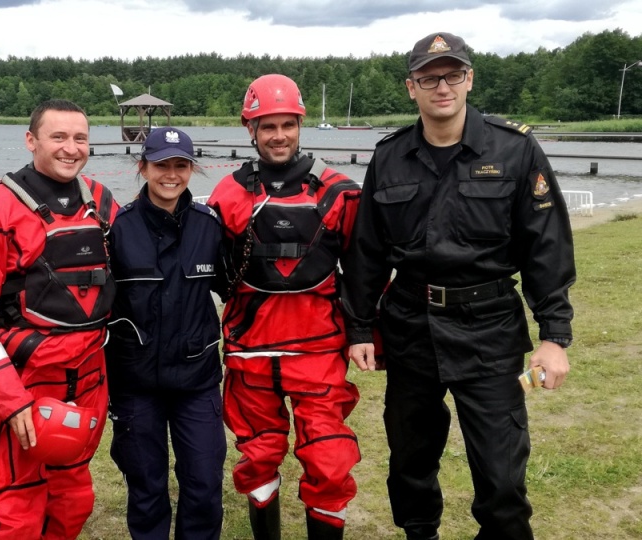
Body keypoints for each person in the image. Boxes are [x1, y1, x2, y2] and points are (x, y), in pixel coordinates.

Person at [342, 32, 575, 540]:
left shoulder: (514, 150)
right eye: (429, 77)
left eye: (452, 74)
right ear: (412, 87)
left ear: (469, 79)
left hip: (489, 328)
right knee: (409, 462)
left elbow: (547, 247)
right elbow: (368, 252)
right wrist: (360, 327)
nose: (441, 86)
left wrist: (554, 335)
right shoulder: (390, 156)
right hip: (410, 326)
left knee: (501, 474)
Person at [0, 99, 118, 539]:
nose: (70, 148)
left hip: (86, 386)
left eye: (80, 138)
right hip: (23, 389)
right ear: (31, 140)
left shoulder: (100, 201)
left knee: (72, 505)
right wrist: (10, 398)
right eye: (58, 136)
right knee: (16, 519)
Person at [206, 74, 363, 540]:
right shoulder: (228, 195)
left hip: (318, 353)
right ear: (249, 128)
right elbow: (208, 272)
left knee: (331, 464)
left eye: (287, 125)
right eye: (267, 125)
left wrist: (364, 334)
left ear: (300, 123)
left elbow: (364, 272)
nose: (278, 136)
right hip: (250, 354)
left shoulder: (340, 192)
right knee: (258, 459)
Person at [105, 127, 226, 540]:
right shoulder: (117, 229)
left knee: (205, 487)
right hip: (136, 382)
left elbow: (236, 288)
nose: (170, 175)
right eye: (161, 165)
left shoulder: (211, 227)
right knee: (146, 488)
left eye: (180, 165)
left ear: (192, 169)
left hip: (197, 379)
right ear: (143, 168)